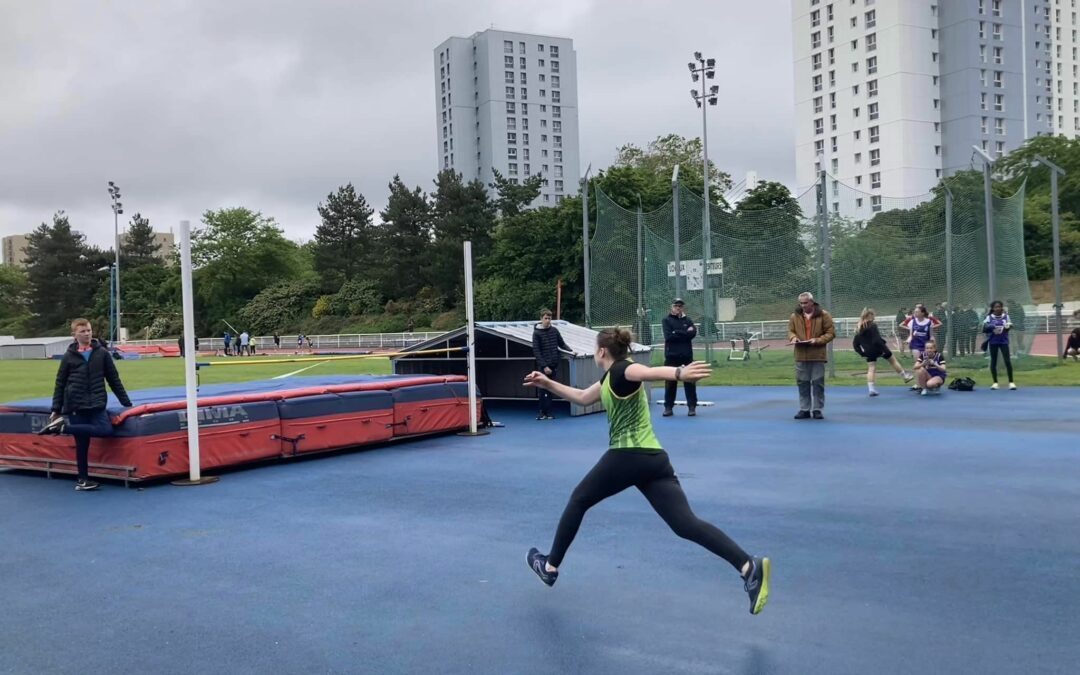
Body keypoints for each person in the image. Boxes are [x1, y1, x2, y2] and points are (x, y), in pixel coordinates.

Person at [522, 327, 771, 615]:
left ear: (601, 351)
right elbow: (581, 397)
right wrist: (547, 383)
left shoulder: (622, 370)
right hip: (654, 460)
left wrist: (678, 374)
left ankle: (550, 566)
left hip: (628, 455)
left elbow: (643, 371)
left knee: (579, 499)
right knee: (685, 524)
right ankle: (748, 566)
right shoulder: (608, 378)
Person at [36, 318, 133, 491]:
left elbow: (113, 379)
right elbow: (60, 383)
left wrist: (127, 403)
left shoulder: (102, 353)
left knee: (106, 431)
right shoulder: (68, 356)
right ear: (74, 335)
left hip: (96, 404)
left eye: (88, 330)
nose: (87, 334)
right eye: (83, 331)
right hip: (76, 404)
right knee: (82, 444)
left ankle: (62, 429)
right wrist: (56, 409)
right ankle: (83, 480)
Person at [788, 292, 835, 419]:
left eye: (805, 303)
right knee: (802, 383)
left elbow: (831, 333)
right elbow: (790, 331)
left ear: (812, 302)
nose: (803, 305)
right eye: (801, 303)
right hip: (801, 354)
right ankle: (804, 409)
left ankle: (817, 409)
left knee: (818, 383)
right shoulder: (794, 316)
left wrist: (817, 340)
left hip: (817, 354)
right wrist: (793, 338)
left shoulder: (824, 315)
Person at [852, 308, 913, 396]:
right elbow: (876, 340)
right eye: (874, 315)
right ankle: (905, 377)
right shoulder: (872, 325)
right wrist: (884, 349)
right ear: (870, 315)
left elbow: (855, 344)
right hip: (879, 348)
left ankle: (871, 389)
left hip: (868, 351)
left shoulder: (859, 327)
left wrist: (862, 353)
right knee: (893, 360)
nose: (875, 317)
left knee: (871, 368)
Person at [531, 309, 570, 420]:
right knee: (542, 389)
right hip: (544, 367)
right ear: (541, 319)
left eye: (549, 318)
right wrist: (544, 366)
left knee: (551, 389)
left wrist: (571, 351)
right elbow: (537, 351)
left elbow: (562, 344)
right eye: (546, 318)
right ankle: (542, 412)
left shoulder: (554, 331)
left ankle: (549, 412)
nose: (548, 321)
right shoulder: (536, 333)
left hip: (554, 365)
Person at [661, 298, 697, 416]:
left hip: (686, 355)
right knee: (670, 382)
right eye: (676, 306)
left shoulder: (688, 320)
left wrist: (677, 332)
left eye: (680, 306)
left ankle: (692, 407)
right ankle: (668, 407)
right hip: (672, 356)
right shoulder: (666, 320)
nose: (678, 308)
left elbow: (692, 333)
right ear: (672, 307)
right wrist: (684, 332)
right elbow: (669, 337)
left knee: (689, 381)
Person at [984, 300, 1016, 390]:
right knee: (993, 361)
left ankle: (1011, 382)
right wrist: (992, 328)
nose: (998, 308)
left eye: (999, 306)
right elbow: (984, 328)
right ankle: (995, 383)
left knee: (1007, 361)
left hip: (1003, 341)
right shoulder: (989, 317)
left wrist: (1008, 327)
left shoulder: (1006, 317)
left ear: (1002, 307)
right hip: (993, 342)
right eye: (996, 307)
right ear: (993, 308)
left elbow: (1010, 326)